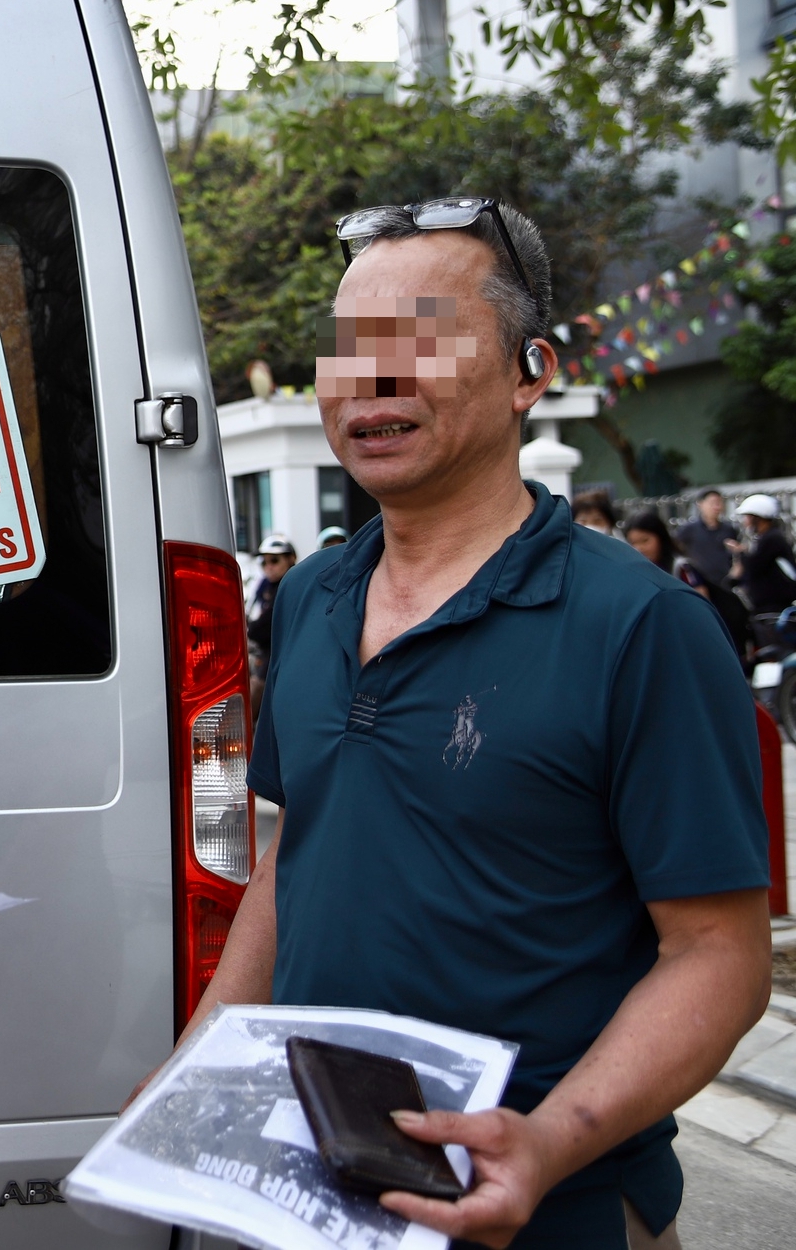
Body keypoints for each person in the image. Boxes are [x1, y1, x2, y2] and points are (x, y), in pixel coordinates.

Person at [174, 197, 771, 1249]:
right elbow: (293, 852)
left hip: (555, 1206)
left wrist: (544, 1141)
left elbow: (716, 953)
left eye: (418, 341)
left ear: (525, 372)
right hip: (324, 1182)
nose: (369, 381)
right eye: (348, 350)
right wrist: (197, 1063)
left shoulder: (640, 625)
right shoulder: (311, 597)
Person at [622, 509, 751, 658]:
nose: (639, 548)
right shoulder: (637, 573)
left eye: (645, 540)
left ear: (660, 538)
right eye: (633, 543)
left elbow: (702, 607)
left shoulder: (681, 568)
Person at [246, 533, 296, 711]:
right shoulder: (264, 587)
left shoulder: (291, 585)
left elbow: (262, 628)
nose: (268, 567)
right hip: (268, 653)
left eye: (274, 560)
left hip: (284, 658)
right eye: (264, 562)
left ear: (291, 559)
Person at [731, 493, 796, 614]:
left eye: (748, 517)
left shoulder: (772, 539)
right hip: (768, 604)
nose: (745, 522)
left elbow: (755, 566)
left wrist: (741, 553)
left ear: (757, 518)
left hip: (774, 605)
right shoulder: (766, 538)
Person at [673, 488, 737, 587]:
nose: (716, 507)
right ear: (700, 504)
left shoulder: (728, 529)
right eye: (712, 503)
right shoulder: (689, 529)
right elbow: (675, 547)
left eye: (719, 503)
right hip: (699, 583)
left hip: (723, 582)